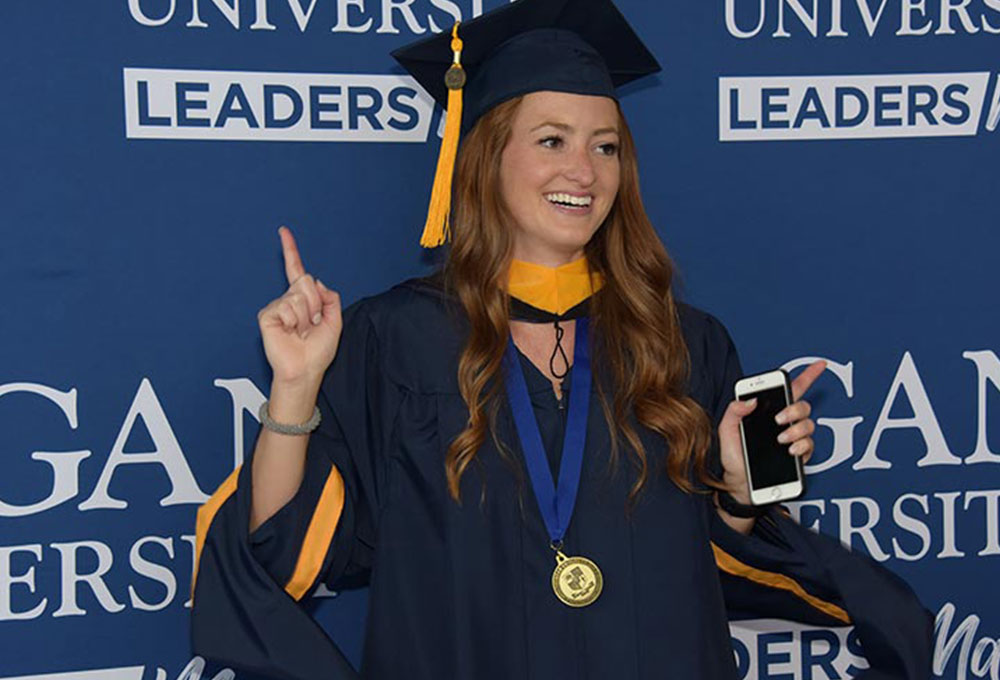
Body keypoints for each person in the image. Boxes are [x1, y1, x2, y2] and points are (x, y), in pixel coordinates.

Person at [191, 0, 933, 678]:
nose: (583, 171)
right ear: (485, 157)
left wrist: (737, 493)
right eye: (552, 140)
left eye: (605, 147)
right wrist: (294, 388)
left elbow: (716, 567)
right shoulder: (397, 340)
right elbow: (276, 551)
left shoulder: (682, 344)